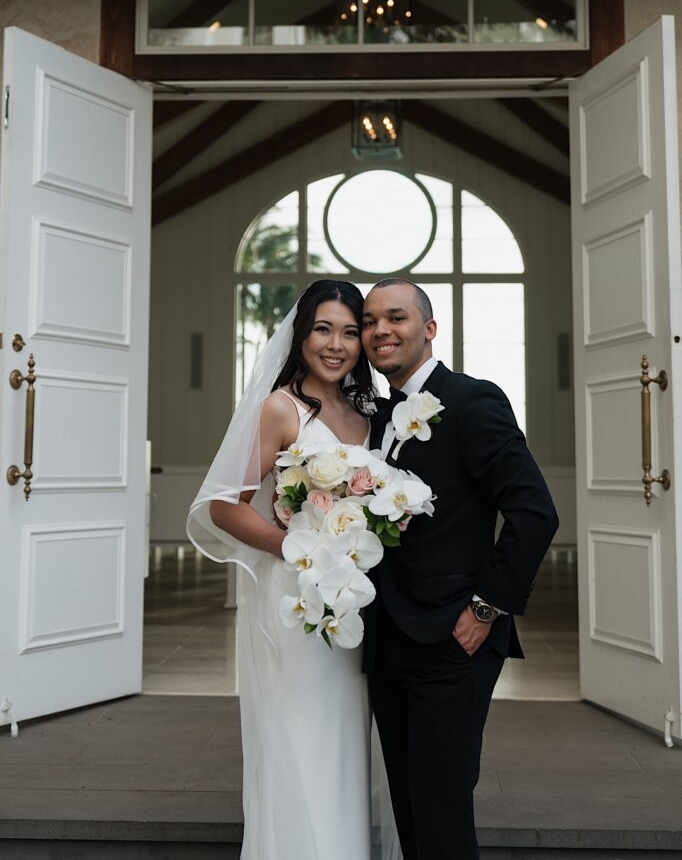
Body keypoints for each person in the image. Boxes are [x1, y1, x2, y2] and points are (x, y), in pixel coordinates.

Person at [361, 278, 559, 860]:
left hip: (455, 636)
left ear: (429, 328)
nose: (380, 331)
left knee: (441, 804)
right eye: (370, 321)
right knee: (408, 802)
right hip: (387, 635)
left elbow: (535, 513)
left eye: (395, 318)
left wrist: (484, 611)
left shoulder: (473, 400)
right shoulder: (373, 417)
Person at [187, 280, 377, 860]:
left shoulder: (370, 412)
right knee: (299, 737)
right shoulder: (281, 408)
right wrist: (295, 551)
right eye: (323, 328)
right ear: (301, 335)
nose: (337, 344)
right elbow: (223, 506)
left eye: (349, 331)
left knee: (344, 740)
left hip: (354, 601)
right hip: (297, 600)